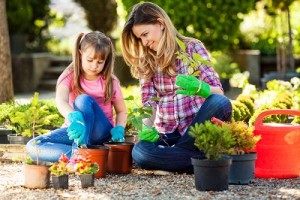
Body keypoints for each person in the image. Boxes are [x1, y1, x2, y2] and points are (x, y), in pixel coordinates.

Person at [121, 2, 232, 173]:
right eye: (139, 38)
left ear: (161, 23)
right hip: (167, 133)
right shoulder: (147, 62)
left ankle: (174, 159)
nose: (144, 42)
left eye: (145, 34)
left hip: (196, 129)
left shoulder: (192, 47)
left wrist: (201, 88)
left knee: (220, 102)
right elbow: (149, 103)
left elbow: (218, 92)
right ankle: (199, 159)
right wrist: (146, 128)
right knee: (140, 152)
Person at [26, 31, 127, 162]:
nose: (94, 66)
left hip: (100, 133)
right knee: (34, 145)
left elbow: (122, 111)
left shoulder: (110, 81)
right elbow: (61, 100)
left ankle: (81, 149)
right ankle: (80, 156)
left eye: (100, 62)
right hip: (75, 130)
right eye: (90, 60)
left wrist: (119, 128)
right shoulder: (69, 76)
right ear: (80, 54)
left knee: (83, 100)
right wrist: (74, 117)